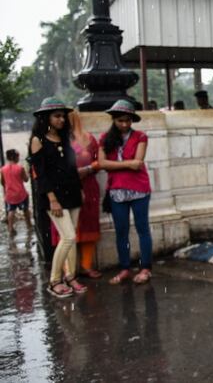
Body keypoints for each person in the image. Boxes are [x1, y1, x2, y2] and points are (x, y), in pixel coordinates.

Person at [28, 97, 86, 298]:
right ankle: (54, 281)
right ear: (46, 118)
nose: (62, 119)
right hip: (54, 196)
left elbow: (71, 167)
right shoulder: (38, 140)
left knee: (71, 238)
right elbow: (40, 173)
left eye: (63, 116)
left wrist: (80, 189)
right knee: (68, 236)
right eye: (57, 116)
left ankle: (70, 276)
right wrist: (52, 199)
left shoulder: (64, 137)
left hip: (72, 192)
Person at [98, 100, 153, 285]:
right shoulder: (105, 139)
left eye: (128, 121)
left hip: (139, 189)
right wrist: (127, 164)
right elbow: (102, 163)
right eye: (120, 120)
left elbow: (138, 162)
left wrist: (118, 165)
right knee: (121, 232)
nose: (124, 124)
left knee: (142, 228)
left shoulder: (141, 136)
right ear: (114, 120)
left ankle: (145, 268)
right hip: (116, 191)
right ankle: (125, 268)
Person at [49, 111, 103, 279]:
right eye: (61, 119)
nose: (65, 122)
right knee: (67, 231)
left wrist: (87, 169)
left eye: (68, 119)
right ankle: (67, 271)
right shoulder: (53, 141)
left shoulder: (88, 139)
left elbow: (99, 161)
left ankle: (86, 266)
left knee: (88, 227)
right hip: (63, 190)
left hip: (88, 188)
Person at [1, 149, 33, 235]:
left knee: (11, 211)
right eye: (18, 156)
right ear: (15, 157)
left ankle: (10, 228)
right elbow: (26, 179)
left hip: (10, 195)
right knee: (25, 209)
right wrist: (28, 173)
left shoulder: (3, 169)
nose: (19, 158)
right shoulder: (20, 168)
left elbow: (2, 182)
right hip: (21, 194)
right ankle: (29, 225)